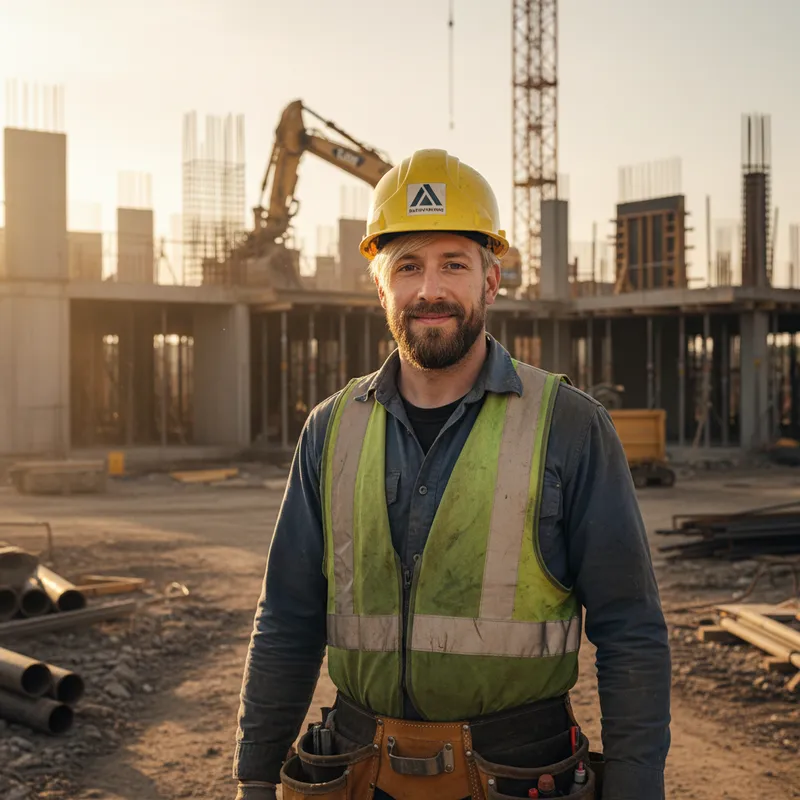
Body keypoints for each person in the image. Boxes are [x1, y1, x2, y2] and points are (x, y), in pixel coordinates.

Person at [233, 150, 671, 800]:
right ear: (380, 286)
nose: (429, 290)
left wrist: (635, 786)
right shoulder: (331, 429)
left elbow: (630, 627)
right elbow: (287, 619)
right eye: (408, 266)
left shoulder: (570, 426)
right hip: (357, 769)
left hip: (519, 772)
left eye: (453, 264)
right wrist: (255, 774)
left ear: (492, 281)